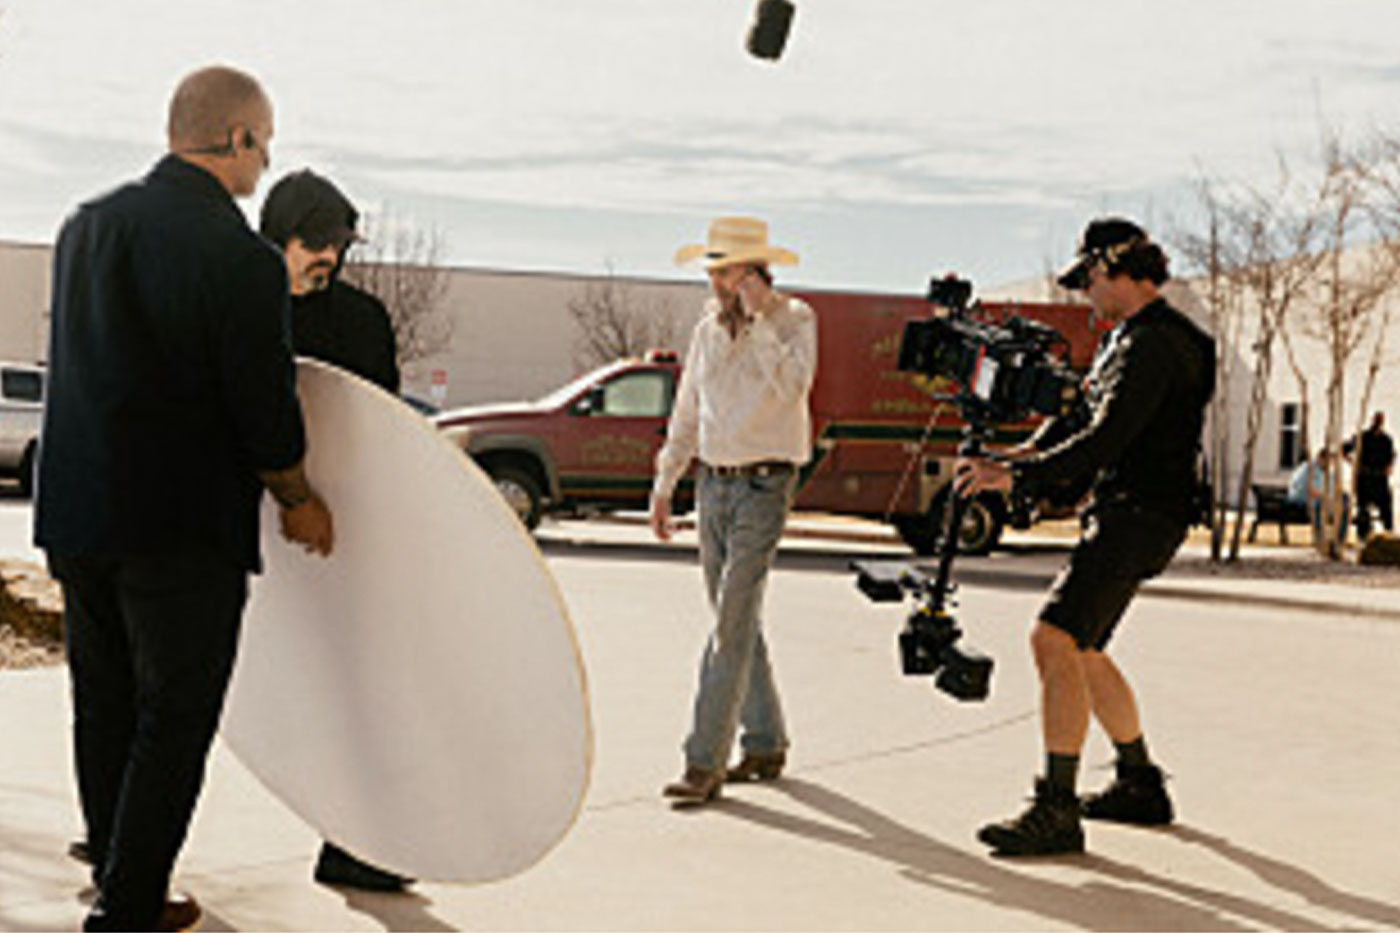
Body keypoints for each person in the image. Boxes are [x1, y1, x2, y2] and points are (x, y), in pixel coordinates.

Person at [35, 66, 334, 931]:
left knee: (104, 701)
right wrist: (297, 494)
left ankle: (118, 879)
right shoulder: (238, 258)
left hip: (78, 514)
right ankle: (128, 909)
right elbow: (260, 400)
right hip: (177, 527)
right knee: (174, 717)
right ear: (235, 137)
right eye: (264, 141)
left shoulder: (83, 226)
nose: (268, 159)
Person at [955, 218, 1215, 856]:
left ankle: (1056, 809)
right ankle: (1139, 783)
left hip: (1138, 514)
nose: (1084, 294)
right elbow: (1075, 421)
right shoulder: (1138, 339)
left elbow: (1105, 439)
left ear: (1112, 268)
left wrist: (1013, 471)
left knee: (1053, 638)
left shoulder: (1155, 344)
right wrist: (1010, 459)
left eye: (1087, 280)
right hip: (1143, 514)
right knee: (1087, 648)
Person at [259, 168, 410, 893]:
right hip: (243, 522)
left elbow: (382, 425)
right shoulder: (237, 306)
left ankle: (352, 842)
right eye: (317, 241)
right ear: (275, 234)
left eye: (339, 245)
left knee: (353, 681)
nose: (330, 256)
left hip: (338, 527)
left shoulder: (363, 319)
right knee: (190, 691)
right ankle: (122, 837)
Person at [649, 216, 816, 806]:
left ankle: (703, 763)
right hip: (711, 487)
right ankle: (766, 741)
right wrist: (666, 481)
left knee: (730, 624)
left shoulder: (795, 320)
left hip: (766, 485)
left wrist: (762, 317)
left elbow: (794, 387)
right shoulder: (705, 331)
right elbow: (688, 410)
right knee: (736, 619)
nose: (714, 280)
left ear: (753, 272)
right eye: (713, 270)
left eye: (724, 270)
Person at [1343, 412, 1395, 540]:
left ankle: (1388, 533)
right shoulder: (1363, 437)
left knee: (1386, 506)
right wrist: (1352, 463)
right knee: (1363, 509)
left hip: (1380, 478)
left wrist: (1388, 468)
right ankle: (1363, 535)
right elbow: (1344, 449)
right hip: (1364, 478)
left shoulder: (1386, 439)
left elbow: (1391, 457)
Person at [1288, 448, 1349, 543]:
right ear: (1321, 458)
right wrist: (1323, 496)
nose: (1330, 464)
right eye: (1328, 461)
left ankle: (1339, 538)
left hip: (1324, 501)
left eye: (1332, 461)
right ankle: (1319, 536)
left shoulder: (1329, 472)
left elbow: (1332, 490)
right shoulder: (1308, 469)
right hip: (1303, 500)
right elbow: (1306, 488)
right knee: (1319, 505)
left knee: (1344, 504)